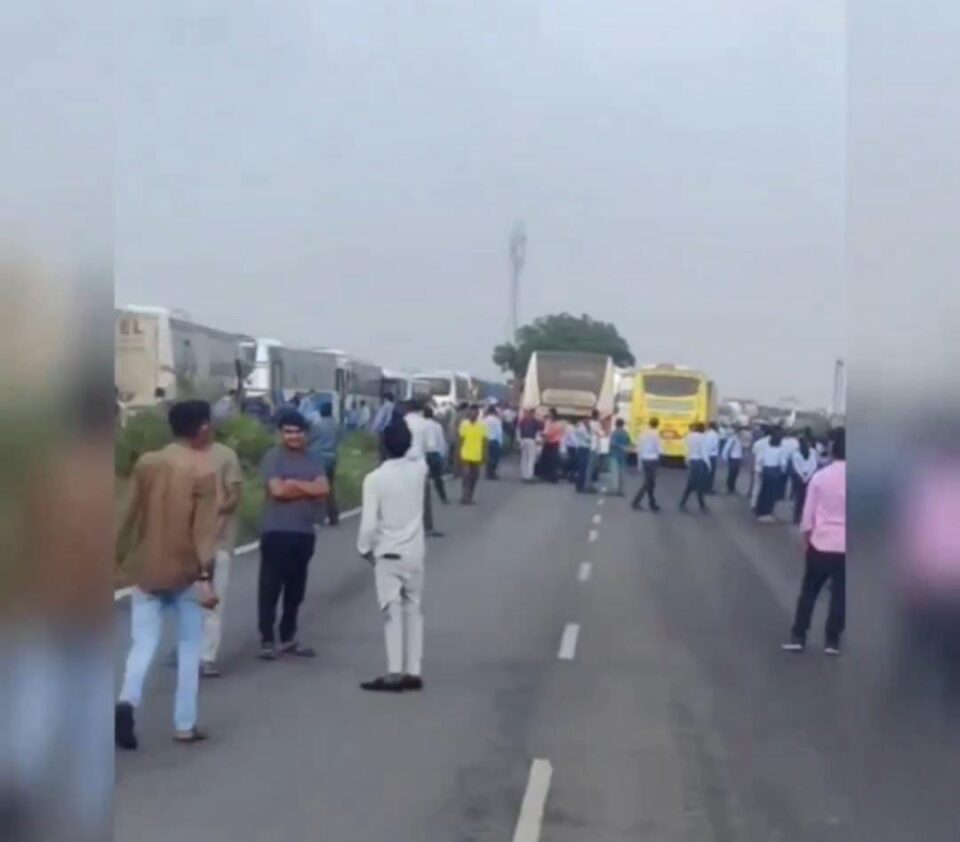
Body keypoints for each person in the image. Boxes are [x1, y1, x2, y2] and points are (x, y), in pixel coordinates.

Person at [115, 400, 222, 749]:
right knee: (190, 647)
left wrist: (117, 556)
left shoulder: (147, 463)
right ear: (202, 428)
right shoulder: (203, 471)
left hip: (147, 568)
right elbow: (203, 532)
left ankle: (127, 701)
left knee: (142, 643)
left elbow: (127, 514)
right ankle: (184, 725)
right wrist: (205, 576)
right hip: (185, 572)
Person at [356, 420, 427, 693]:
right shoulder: (419, 470)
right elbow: (417, 452)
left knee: (391, 611)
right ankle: (414, 671)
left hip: (388, 553)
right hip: (415, 552)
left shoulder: (374, 479)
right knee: (414, 609)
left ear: (382, 445)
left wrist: (365, 549)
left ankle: (394, 672)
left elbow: (369, 525)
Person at [257, 410, 329, 661]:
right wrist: (307, 488)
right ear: (280, 433)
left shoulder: (314, 458)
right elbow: (277, 491)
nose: (294, 436)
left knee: (296, 589)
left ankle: (288, 636)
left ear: (305, 434)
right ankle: (267, 638)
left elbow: (323, 488)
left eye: (298, 432)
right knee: (270, 587)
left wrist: (294, 485)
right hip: (276, 530)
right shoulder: (273, 457)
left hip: (304, 531)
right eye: (288, 432)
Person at [783, 428, 846, 654]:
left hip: (821, 542)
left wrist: (806, 540)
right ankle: (832, 641)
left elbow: (808, 514)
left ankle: (798, 636)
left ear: (832, 450)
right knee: (840, 595)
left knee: (809, 591)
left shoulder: (820, 477)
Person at [199, 433, 243, 678]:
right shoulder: (174, 456)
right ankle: (189, 651)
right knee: (185, 601)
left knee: (214, 599)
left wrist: (214, 518)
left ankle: (207, 656)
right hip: (183, 542)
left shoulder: (225, 455)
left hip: (218, 540)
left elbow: (234, 495)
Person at [404, 399, 443, 538]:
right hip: (419, 463)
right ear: (420, 410)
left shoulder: (402, 422)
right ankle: (427, 527)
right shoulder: (425, 424)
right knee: (424, 497)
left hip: (403, 462)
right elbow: (430, 446)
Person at [308, 402, 342, 527]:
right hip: (332, 459)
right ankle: (333, 515)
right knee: (330, 488)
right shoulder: (336, 425)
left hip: (319, 459)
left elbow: (308, 440)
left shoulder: (317, 425)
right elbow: (340, 439)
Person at [755, 427, 787, 522]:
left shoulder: (765, 447)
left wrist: (759, 469)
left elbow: (759, 459)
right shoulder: (781, 449)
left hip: (765, 470)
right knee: (772, 493)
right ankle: (767, 512)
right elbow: (783, 463)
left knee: (763, 491)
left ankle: (760, 511)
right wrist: (782, 471)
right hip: (775, 470)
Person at [458, 405, 488, 504]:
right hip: (465, 454)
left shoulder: (482, 425)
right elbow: (461, 440)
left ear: (478, 414)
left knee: (474, 478)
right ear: (469, 413)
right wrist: (458, 454)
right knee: (466, 476)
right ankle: (465, 496)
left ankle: (470, 496)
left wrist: (485, 454)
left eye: (475, 412)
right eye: (471, 412)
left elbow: (484, 441)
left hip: (477, 455)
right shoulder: (464, 424)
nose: (473, 414)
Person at [632, 418, 662, 511]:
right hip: (652, 460)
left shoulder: (643, 434)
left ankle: (652, 503)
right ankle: (637, 502)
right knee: (648, 483)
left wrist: (639, 463)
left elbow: (639, 449)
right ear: (657, 424)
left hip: (644, 459)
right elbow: (658, 449)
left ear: (649, 424)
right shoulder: (656, 434)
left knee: (650, 483)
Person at [679, 422, 710, 513]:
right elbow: (703, 452)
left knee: (693, 483)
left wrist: (686, 460)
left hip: (692, 461)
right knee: (697, 484)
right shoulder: (702, 437)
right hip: (698, 462)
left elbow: (685, 449)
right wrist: (708, 464)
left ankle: (685, 503)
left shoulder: (688, 436)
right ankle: (701, 505)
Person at [422, 405, 449, 504]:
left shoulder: (421, 425)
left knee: (422, 478)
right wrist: (442, 455)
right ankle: (443, 497)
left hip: (423, 454)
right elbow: (441, 441)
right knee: (437, 478)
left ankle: (422, 499)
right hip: (435, 453)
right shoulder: (437, 426)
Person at [790, 436, 819, 525]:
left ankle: (806, 517)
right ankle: (797, 517)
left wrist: (808, 476)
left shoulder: (812, 452)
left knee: (809, 498)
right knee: (800, 499)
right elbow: (796, 466)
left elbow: (814, 464)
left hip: (809, 477)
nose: (806, 444)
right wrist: (803, 477)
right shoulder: (795, 454)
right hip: (800, 477)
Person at [608, 419, 631, 496]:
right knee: (622, 473)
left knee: (614, 472)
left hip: (614, 454)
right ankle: (621, 490)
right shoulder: (625, 433)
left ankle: (614, 490)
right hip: (623, 455)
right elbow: (628, 443)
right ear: (623, 424)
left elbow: (612, 443)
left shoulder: (614, 433)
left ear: (616, 424)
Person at [517, 408, 541, 482]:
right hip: (531, 440)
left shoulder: (523, 420)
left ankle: (524, 475)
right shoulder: (534, 421)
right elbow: (541, 427)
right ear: (533, 413)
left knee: (524, 458)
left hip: (523, 439)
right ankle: (529, 476)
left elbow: (519, 429)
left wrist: (519, 440)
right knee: (531, 458)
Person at [540, 409, 564, 483]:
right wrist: (543, 434)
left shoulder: (558, 424)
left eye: (550, 414)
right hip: (547, 442)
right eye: (549, 414)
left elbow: (551, 433)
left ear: (554, 415)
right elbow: (545, 430)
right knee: (545, 459)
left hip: (554, 443)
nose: (549, 415)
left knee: (553, 460)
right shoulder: (548, 422)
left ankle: (553, 477)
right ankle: (545, 475)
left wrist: (544, 434)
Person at [722, 426, 745, 495]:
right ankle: (729, 488)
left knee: (735, 474)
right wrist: (726, 457)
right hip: (733, 458)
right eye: (741, 433)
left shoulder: (740, 440)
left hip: (738, 458)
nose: (742, 434)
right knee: (731, 474)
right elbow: (727, 448)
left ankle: (733, 487)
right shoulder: (733, 439)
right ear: (737, 432)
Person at [573, 416, 593, 493]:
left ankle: (580, 486)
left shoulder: (584, 428)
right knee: (582, 468)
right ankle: (579, 486)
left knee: (583, 468)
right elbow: (588, 439)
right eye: (587, 420)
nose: (588, 422)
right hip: (582, 449)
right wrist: (590, 431)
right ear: (584, 420)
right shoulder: (582, 429)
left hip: (584, 449)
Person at [484, 405, 504, 480]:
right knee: (495, 458)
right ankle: (492, 473)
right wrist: (500, 442)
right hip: (494, 441)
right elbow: (499, 432)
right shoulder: (496, 420)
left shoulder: (484, 420)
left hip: (486, 440)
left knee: (488, 457)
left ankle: (488, 472)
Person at [704, 422, 721, 494]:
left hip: (706, 455)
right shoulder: (715, 435)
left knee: (706, 472)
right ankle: (708, 489)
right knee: (711, 473)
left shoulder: (707, 434)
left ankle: (704, 487)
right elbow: (713, 445)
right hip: (712, 455)